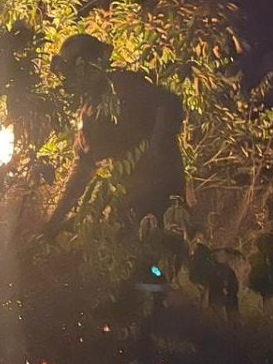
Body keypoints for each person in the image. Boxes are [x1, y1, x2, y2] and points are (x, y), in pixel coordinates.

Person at [42, 33, 187, 236]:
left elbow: (169, 103)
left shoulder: (124, 85)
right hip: (122, 206)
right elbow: (82, 167)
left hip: (160, 200)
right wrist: (53, 223)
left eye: (71, 70)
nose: (67, 79)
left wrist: (156, 149)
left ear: (86, 66)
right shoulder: (87, 111)